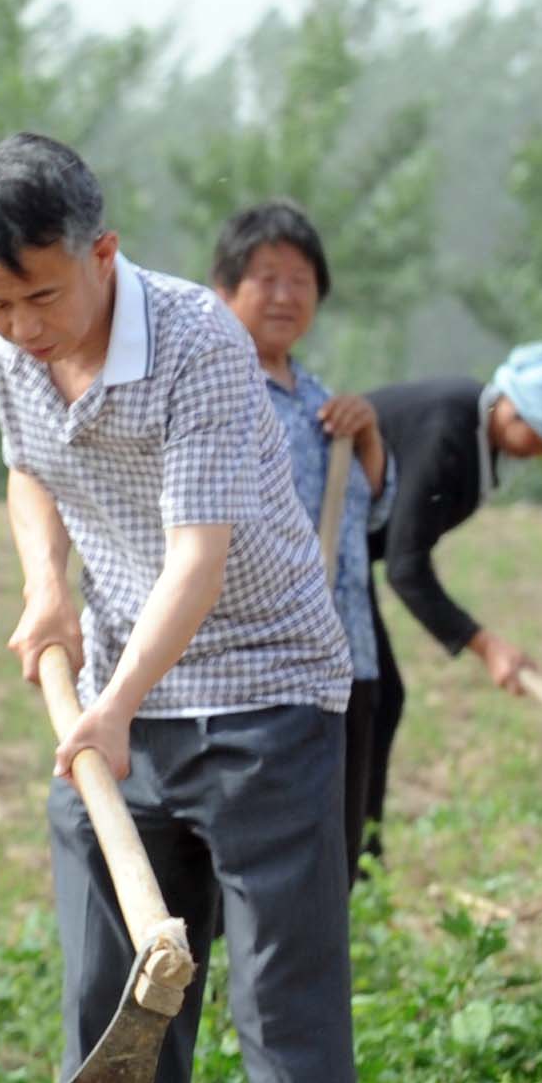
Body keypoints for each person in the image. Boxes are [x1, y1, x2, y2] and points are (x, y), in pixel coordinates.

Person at [0, 131, 365, 1083]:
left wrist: (115, 704)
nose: (20, 325)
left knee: (281, 1003)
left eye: (40, 294)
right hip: (116, 695)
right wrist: (45, 586)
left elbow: (199, 554)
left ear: (103, 253)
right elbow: (31, 468)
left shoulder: (196, 340)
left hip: (261, 692)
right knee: (108, 999)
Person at [208, 200, 392, 873]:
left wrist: (368, 438)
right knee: (255, 859)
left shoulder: (319, 399)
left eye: (301, 280)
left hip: (345, 658)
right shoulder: (213, 394)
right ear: (223, 291)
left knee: (329, 855)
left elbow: (373, 519)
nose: (285, 295)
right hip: (253, 671)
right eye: (266, 277)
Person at [367, 339, 542, 703]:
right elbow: (405, 568)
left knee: (379, 698)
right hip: (309, 552)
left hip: (339, 556)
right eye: (541, 440)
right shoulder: (448, 435)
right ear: (517, 410)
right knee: (365, 697)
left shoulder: (473, 428)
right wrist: (487, 647)